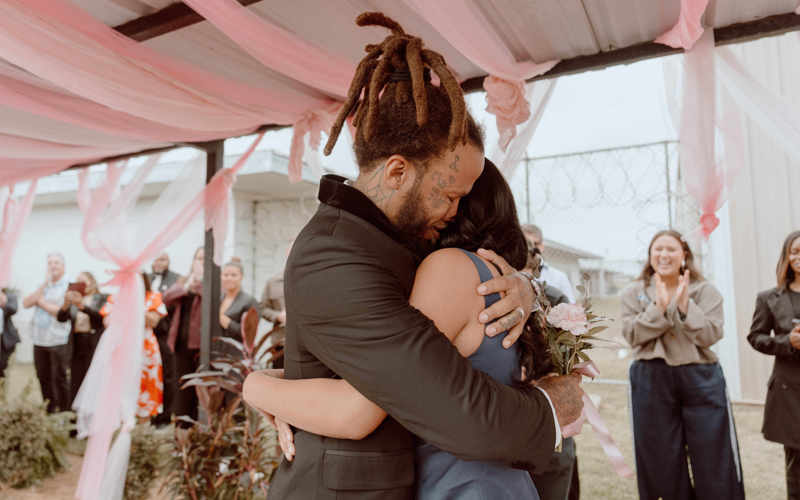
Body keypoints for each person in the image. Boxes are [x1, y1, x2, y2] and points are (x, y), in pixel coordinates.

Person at [244, 13, 583, 500]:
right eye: (449, 195)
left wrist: (526, 286)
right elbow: (444, 405)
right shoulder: (332, 257)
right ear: (398, 172)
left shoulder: (402, 239)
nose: (456, 211)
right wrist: (554, 403)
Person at [246, 159, 574, 499]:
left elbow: (359, 406)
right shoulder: (492, 274)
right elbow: (401, 374)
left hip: (459, 485)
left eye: (449, 195)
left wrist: (256, 387)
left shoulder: (449, 269)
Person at [621, 229, 744, 500]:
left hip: (700, 377)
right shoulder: (633, 292)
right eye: (658, 249)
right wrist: (659, 308)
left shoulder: (705, 290)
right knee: (660, 458)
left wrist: (686, 308)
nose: (664, 255)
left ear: (684, 255)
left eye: (671, 249)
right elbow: (632, 335)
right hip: (651, 378)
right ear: (650, 255)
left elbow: (711, 335)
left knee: (713, 454)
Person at [747, 230, 800, 499]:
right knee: (797, 465)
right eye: (795, 251)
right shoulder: (768, 298)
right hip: (789, 391)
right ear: (786, 257)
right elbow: (755, 337)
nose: (799, 257)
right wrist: (786, 342)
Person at [100, 273, 166, 422]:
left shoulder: (152, 297)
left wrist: (135, 305)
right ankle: (121, 424)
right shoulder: (116, 297)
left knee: (146, 385)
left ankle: (143, 427)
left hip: (145, 347)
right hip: (122, 346)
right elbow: (107, 321)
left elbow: (153, 321)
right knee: (120, 386)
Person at [23, 252, 71, 413]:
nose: (53, 266)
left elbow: (60, 312)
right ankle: (49, 409)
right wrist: (43, 285)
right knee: (43, 377)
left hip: (58, 339)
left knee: (59, 378)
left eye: (56, 263)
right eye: (50, 263)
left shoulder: (67, 286)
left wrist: (40, 302)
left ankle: (64, 412)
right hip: (39, 339)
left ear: (63, 266)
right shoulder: (42, 285)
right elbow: (26, 303)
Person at [163, 247, 204, 422]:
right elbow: (166, 298)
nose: (201, 262)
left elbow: (214, 298)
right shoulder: (184, 281)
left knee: (199, 387)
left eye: (204, 259)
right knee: (181, 386)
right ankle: (182, 426)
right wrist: (187, 287)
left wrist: (199, 284)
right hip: (180, 342)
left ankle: (198, 425)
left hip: (201, 344)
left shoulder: (215, 281)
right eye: (198, 258)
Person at [56, 271, 107, 405]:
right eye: (77, 282)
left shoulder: (101, 298)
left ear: (92, 282)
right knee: (76, 377)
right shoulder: (73, 301)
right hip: (77, 342)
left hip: (93, 341)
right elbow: (61, 318)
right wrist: (66, 303)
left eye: (83, 282)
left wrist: (82, 306)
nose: (80, 285)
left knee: (92, 376)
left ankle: (93, 408)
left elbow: (100, 319)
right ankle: (75, 411)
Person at [147, 252, 180, 426]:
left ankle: (165, 416)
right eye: (156, 259)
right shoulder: (146, 279)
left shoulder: (176, 280)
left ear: (168, 261)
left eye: (163, 259)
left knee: (167, 375)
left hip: (166, 334)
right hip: (147, 334)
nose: (159, 263)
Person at [522, 224, 576, 303]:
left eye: (536, 244)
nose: (532, 248)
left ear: (542, 246)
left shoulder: (559, 278)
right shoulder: (509, 276)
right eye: (527, 244)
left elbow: (570, 307)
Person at [217, 258, 257, 360]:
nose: (229, 278)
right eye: (225, 275)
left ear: (241, 277)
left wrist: (228, 323)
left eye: (233, 275)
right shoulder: (218, 299)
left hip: (238, 357)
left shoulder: (249, 301)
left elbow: (249, 334)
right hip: (217, 354)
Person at [259, 268, 286, 368]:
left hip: (307, 343)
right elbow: (262, 308)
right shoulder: (272, 282)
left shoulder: (311, 280)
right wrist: (277, 316)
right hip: (280, 343)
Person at [0, 288, 19, 379]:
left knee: (3, 370)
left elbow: (13, 309)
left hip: (5, 341)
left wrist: (2, 300)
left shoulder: (9, 295)